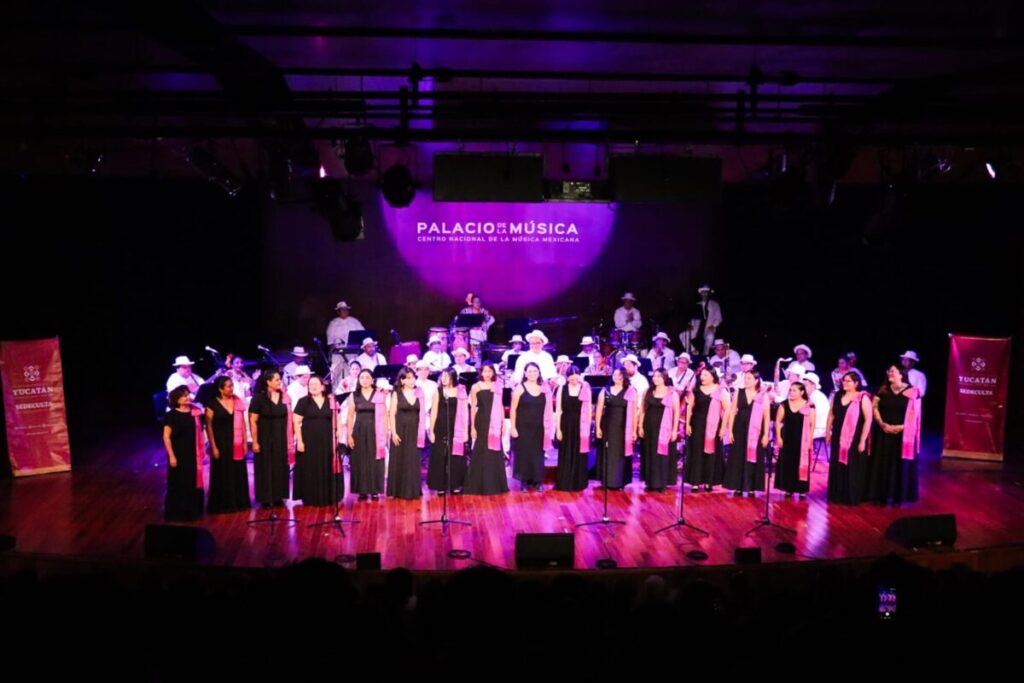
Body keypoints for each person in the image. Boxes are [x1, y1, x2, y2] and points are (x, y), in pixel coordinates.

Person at [867, 365, 921, 505]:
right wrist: (882, 424)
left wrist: (901, 427)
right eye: (889, 371)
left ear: (901, 374)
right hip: (883, 431)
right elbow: (875, 408)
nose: (890, 373)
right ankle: (881, 495)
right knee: (882, 462)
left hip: (903, 434)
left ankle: (899, 495)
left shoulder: (912, 391)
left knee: (899, 464)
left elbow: (915, 414)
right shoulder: (882, 390)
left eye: (893, 371)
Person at [293, 375, 343, 506]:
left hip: (327, 440)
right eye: (310, 384)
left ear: (322, 386)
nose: (313, 386)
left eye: (315, 384)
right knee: (310, 467)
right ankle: (310, 496)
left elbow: (337, 418)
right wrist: (300, 441)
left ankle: (328, 495)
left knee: (327, 465)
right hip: (309, 440)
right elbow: (296, 421)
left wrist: (339, 433)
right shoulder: (303, 402)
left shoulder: (330, 401)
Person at [204, 375, 251, 514]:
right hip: (221, 443)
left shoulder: (237, 401)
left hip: (236, 442)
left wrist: (244, 443)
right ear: (220, 389)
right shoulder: (212, 404)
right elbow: (209, 426)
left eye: (232, 385)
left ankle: (239, 502)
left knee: (237, 472)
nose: (232, 388)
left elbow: (242, 423)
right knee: (222, 473)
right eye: (229, 386)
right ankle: (223, 504)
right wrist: (213, 446)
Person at [826, 372, 872, 505]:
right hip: (838, 437)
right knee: (837, 464)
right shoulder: (837, 395)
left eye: (848, 381)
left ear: (856, 383)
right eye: (844, 381)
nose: (844, 383)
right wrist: (828, 432)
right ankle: (837, 495)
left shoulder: (862, 398)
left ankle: (850, 496)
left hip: (854, 438)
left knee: (851, 466)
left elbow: (868, 420)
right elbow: (831, 415)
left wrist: (862, 440)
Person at [249, 369, 294, 507]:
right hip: (265, 438)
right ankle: (266, 498)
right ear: (268, 382)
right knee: (266, 467)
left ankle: (279, 496)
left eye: (280, 379)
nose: (280, 382)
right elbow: (252, 420)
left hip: (280, 438)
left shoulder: (284, 397)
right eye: (277, 380)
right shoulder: (258, 398)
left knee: (280, 466)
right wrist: (255, 442)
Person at [463, 362, 509, 495]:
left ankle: (495, 483)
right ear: (481, 372)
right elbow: (472, 408)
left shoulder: (497, 385)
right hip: (482, 420)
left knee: (495, 451)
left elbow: (500, 405)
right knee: (481, 450)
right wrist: (472, 428)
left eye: (490, 371)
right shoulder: (475, 387)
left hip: (495, 420)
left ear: (493, 372)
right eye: (485, 371)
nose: (488, 374)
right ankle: (478, 484)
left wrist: (503, 423)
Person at [723, 370, 770, 497]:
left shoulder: (762, 395)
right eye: (745, 378)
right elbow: (732, 412)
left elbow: (766, 416)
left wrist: (766, 434)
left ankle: (751, 487)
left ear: (756, 380)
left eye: (749, 378)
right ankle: (737, 485)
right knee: (737, 456)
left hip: (756, 430)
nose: (746, 380)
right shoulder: (739, 392)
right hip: (740, 428)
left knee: (753, 457)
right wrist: (730, 430)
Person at [161, 386, 205, 521]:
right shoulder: (171, 415)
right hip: (178, 453)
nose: (187, 397)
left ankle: (193, 511)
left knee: (192, 481)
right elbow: (166, 437)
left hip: (192, 452)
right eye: (184, 396)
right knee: (179, 482)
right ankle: (178, 512)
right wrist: (172, 456)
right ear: (177, 400)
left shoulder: (195, 413)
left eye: (187, 395)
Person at [683, 367, 730, 492]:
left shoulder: (721, 390)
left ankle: (709, 482)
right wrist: (687, 424)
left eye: (705, 375)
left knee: (711, 453)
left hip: (714, 426)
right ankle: (695, 481)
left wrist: (723, 428)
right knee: (696, 452)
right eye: (702, 375)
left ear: (713, 376)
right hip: (697, 424)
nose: (702, 377)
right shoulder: (696, 389)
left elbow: (727, 410)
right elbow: (689, 407)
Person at [511, 362, 554, 491]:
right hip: (523, 427)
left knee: (538, 454)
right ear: (525, 373)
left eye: (535, 371)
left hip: (539, 427)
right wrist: (513, 427)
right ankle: (524, 481)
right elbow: (513, 409)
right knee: (524, 453)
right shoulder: (520, 388)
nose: (532, 374)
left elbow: (549, 409)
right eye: (529, 371)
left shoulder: (544, 388)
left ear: (539, 373)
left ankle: (537, 480)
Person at [346, 369, 388, 501]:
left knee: (375, 459)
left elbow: (385, 415)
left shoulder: (379, 394)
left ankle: (375, 490)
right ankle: (362, 490)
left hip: (376, 430)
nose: (364, 380)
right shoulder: (354, 395)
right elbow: (350, 415)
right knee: (360, 460)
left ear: (372, 380)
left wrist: (385, 433)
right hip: (358, 430)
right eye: (362, 377)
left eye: (367, 377)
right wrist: (349, 435)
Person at [387, 367, 428, 500]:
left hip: (415, 429)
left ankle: (412, 489)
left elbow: (422, 413)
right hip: (400, 429)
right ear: (402, 380)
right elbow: (391, 414)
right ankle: (397, 489)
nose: (412, 380)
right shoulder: (396, 393)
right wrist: (393, 432)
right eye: (408, 378)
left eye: (413, 377)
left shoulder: (419, 392)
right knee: (399, 458)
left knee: (413, 459)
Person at [593, 368, 637, 490]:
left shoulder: (630, 391)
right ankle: (607, 481)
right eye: (615, 374)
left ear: (624, 376)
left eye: (620, 375)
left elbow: (633, 413)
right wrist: (597, 428)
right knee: (608, 453)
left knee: (621, 454)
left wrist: (634, 430)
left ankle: (619, 482)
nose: (617, 377)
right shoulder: (605, 391)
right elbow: (599, 410)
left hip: (624, 427)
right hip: (608, 426)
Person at [427, 368, 469, 494]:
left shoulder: (460, 391)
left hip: (457, 427)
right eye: (442, 376)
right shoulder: (438, 392)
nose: (443, 379)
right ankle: (440, 485)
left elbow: (465, 412)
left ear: (452, 377)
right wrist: (432, 431)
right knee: (440, 455)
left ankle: (456, 484)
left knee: (456, 456)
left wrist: (466, 431)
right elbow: (433, 412)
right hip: (440, 427)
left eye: (446, 376)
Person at [638, 369, 680, 492]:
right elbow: (643, 410)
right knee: (649, 453)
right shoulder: (648, 391)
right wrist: (640, 426)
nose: (656, 378)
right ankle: (650, 482)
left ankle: (662, 483)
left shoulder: (672, 393)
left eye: (659, 376)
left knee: (662, 454)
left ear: (665, 378)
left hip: (665, 427)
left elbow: (676, 412)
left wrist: (674, 430)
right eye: (655, 376)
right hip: (649, 426)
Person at [774, 381, 815, 497]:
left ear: (802, 392)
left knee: (801, 463)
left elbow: (812, 424)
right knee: (788, 463)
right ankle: (788, 488)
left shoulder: (809, 405)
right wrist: (779, 438)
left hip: (802, 440)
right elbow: (777, 421)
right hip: (787, 438)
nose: (791, 392)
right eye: (790, 390)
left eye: (794, 390)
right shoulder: (784, 405)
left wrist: (810, 440)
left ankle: (801, 490)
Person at [554, 366, 592, 492]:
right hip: (566, 423)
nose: (574, 378)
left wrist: (588, 426)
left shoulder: (585, 389)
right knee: (566, 451)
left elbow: (589, 409)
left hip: (581, 425)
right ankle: (564, 482)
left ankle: (578, 482)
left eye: (576, 374)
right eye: (571, 375)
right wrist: (558, 429)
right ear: (567, 376)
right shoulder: (561, 389)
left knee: (579, 452)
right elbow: (559, 410)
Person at [687, 285, 722, 356]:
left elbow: (719, 318)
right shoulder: (697, 304)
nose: (704, 294)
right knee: (684, 336)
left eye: (706, 292)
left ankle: (705, 355)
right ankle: (692, 351)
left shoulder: (714, 304)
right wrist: (690, 325)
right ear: (700, 294)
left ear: (708, 294)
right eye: (702, 292)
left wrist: (714, 325)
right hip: (697, 328)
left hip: (708, 327)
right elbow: (693, 318)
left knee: (710, 337)